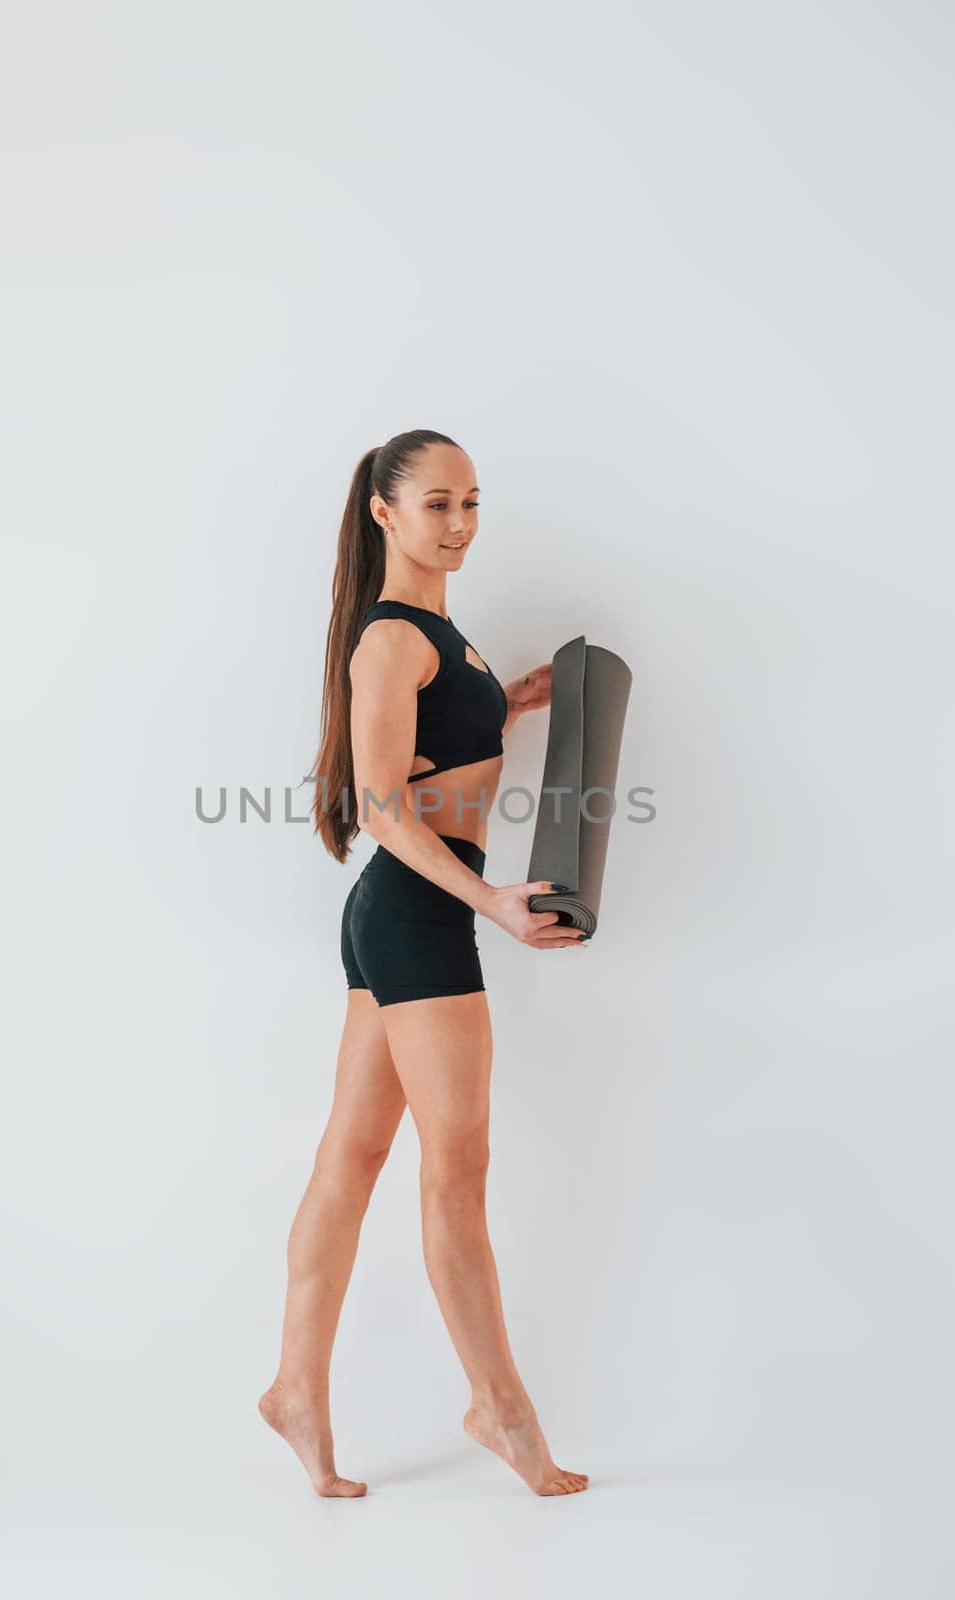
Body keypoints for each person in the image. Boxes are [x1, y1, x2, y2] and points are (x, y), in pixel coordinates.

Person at [259, 429, 589, 1498]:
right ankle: (499, 1409)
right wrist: (490, 899)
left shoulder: (439, 633)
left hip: (398, 916)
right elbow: (383, 801)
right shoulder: (392, 639)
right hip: (418, 914)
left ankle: (295, 1391)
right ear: (384, 513)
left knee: (352, 1157)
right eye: (437, 504)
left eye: (472, 503)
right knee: (458, 1171)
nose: (459, 525)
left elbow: (435, 748)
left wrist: (511, 701)